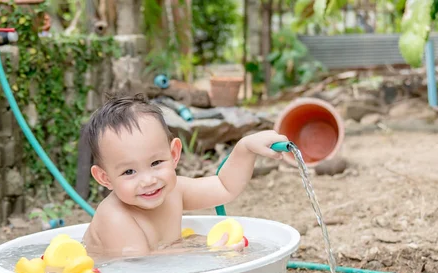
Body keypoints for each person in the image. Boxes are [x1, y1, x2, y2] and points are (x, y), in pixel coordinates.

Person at [80, 94, 289, 257]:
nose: (148, 180)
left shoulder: (174, 190)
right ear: (105, 178)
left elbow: (224, 186)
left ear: (173, 155)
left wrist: (245, 148)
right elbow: (140, 268)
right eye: (129, 172)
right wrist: (208, 253)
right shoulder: (115, 217)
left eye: (156, 163)